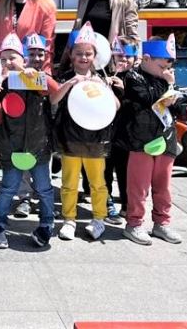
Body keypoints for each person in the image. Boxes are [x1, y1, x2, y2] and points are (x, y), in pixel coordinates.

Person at [51, 23, 119, 242]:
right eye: (79, 53)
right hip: (71, 138)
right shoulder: (64, 76)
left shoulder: (100, 78)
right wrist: (71, 82)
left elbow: (116, 106)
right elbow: (53, 99)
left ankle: (99, 218)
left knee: (98, 183)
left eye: (88, 54)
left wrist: (104, 87)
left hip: (95, 140)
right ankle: (68, 219)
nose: (83, 57)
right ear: (71, 55)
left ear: (95, 56)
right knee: (69, 182)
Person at [0, 33, 56, 249]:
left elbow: (56, 94)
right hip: (12, 147)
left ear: (23, 58)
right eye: (4, 59)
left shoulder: (37, 77)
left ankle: (46, 225)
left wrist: (36, 77)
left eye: (13, 58)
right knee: (8, 188)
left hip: (39, 146)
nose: (9, 62)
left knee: (44, 189)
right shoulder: (3, 84)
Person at [120, 35, 183, 246]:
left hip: (166, 138)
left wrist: (170, 87)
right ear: (146, 59)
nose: (166, 70)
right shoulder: (133, 77)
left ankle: (161, 223)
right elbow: (147, 99)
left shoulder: (166, 80)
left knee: (163, 186)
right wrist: (167, 85)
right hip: (141, 139)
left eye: (169, 67)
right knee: (139, 186)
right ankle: (134, 223)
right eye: (161, 66)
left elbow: (179, 108)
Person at [109, 37, 140, 218]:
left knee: (125, 171)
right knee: (107, 169)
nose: (123, 59)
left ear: (135, 58)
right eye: (119, 55)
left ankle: (126, 204)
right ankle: (107, 201)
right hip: (109, 131)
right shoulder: (108, 76)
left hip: (128, 132)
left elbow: (138, 103)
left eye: (128, 56)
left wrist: (124, 90)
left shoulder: (137, 78)